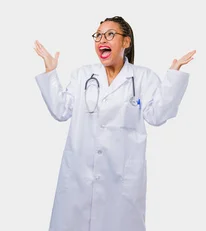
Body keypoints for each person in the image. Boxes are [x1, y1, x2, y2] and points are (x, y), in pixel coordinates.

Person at [33, 16, 195, 231]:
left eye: (110, 34)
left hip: (121, 182)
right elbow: (60, 111)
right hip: (79, 178)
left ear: (126, 42)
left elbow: (157, 116)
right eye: (98, 35)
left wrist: (173, 77)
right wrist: (50, 72)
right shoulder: (83, 76)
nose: (102, 40)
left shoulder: (143, 78)